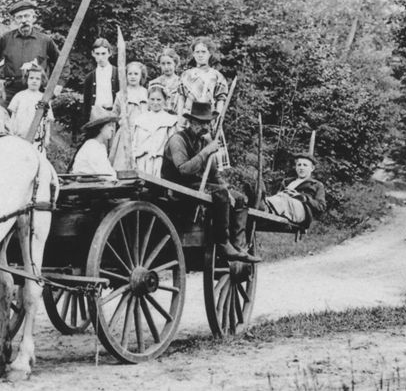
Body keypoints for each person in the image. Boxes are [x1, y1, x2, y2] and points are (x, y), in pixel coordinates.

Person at [161, 101, 260, 263]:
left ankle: (238, 245)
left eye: (207, 123)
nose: (205, 127)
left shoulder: (204, 141)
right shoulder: (177, 140)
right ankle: (223, 242)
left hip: (198, 187)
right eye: (200, 123)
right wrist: (207, 151)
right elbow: (184, 169)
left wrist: (227, 190)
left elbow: (214, 175)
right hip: (177, 189)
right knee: (220, 194)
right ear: (191, 122)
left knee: (239, 198)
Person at [0, 0, 62, 103]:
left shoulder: (45, 40)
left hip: (36, 92)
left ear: (33, 18)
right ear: (15, 20)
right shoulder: (6, 39)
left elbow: (62, 63)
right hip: (9, 93)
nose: (23, 20)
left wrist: (58, 85)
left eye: (27, 16)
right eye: (19, 17)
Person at [264, 153, 327, 225]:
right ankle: (261, 202)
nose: (301, 167)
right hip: (283, 208)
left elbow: (321, 207)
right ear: (296, 167)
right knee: (281, 196)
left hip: (302, 213)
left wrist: (304, 198)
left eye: (305, 165)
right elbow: (277, 197)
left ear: (312, 168)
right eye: (299, 165)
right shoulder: (287, 181)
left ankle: (264, 205)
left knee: (283, 197)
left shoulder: (316, 185)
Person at [132, 85, 180, 177]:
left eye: (159, 99)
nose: (155, 102)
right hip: (142, 161)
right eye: (152, 99)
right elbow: (134, 142)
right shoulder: (140, 119)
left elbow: (172, 145)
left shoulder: (170, 120)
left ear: (165, 100)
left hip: (160, 162)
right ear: (148, 100)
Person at [7, 61, 53, 147]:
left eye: (37, 79)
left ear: (42, 81)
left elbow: (47, 120)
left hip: (36, 140)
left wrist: (46, 137)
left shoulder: (44, 98)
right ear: (26, 79)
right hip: (19, 137)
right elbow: (13, 117)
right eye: (31, 78)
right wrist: (11, 133)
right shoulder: (19, 96)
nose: (34, 81)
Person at [179, 37, 228, 116]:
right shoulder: (186, 75)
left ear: (209, 54)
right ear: (193, 54)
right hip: (188, 115)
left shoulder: (217, 76)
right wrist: (179, 117)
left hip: (208, 115)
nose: (200, 55)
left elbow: (220, 100)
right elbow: (181, 98)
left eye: (203, 52)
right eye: (197, 52)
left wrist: (217, 119)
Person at [82, 38, 119, 120]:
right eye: (97, 54)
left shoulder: (117, 74)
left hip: (113, 114)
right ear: (93, 54)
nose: (100, 57)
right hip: (95, 115)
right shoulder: (90, 77)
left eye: (103, 53)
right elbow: (86, 104)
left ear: (109, 53)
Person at [148, 47, 187, 115]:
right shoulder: (154, 83)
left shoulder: (182, 82)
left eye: (169, 63)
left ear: (175, 63)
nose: (166, 67)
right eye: (163, 64)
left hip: (176, 117)